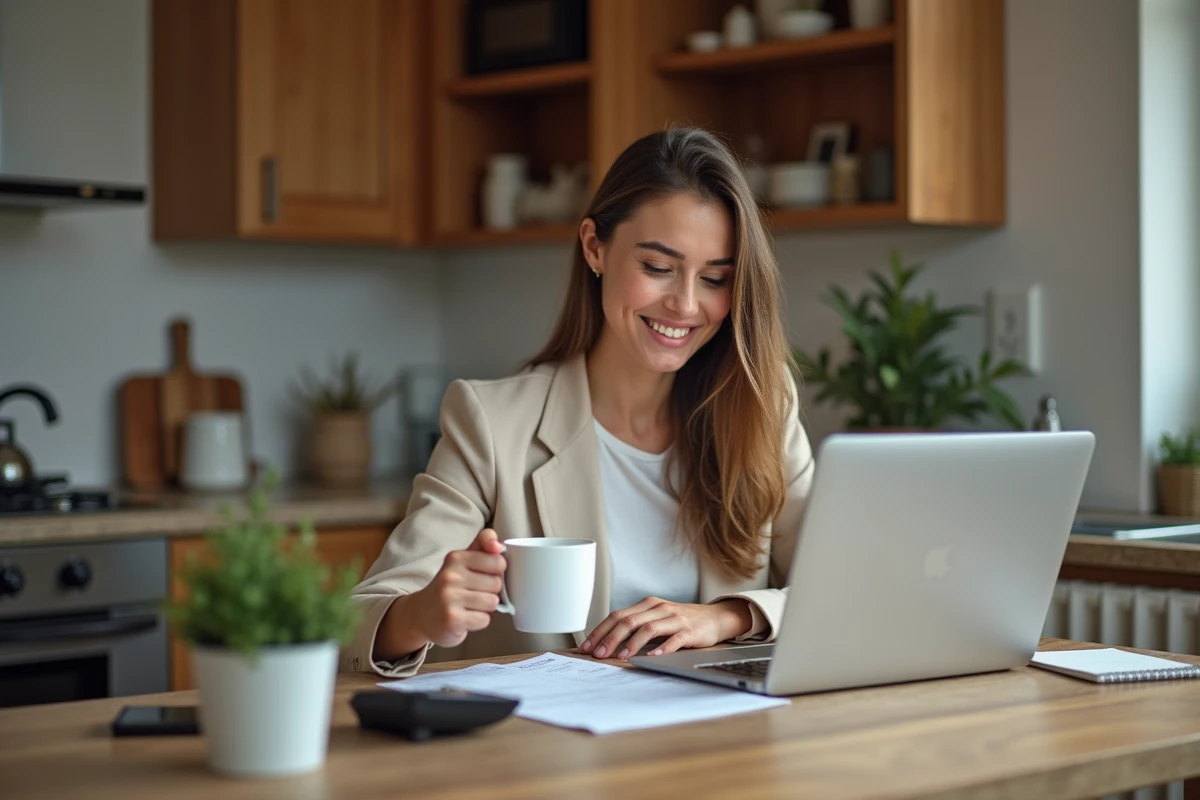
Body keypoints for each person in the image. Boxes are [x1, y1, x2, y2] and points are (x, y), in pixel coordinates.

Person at [340, 127, 814, 678]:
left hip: (717, 744)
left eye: (714, 278)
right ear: (595, 247)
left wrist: (727, 618)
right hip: (552, 751)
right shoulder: (492, 423)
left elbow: (847, 586)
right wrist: (421, 614)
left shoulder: (762, 404)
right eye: (658, 268)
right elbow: (355, 622)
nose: (686, 304)